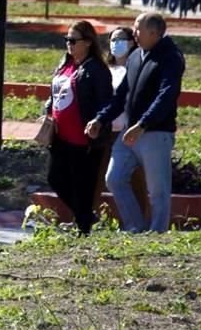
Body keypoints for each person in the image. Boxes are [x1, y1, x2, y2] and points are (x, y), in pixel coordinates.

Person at [86, 12, 185, 233]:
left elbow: (167, 95)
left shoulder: (171, 57)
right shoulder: (135, 56)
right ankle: (136, 226)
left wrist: (143, 123)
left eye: (138, 29)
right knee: (115, 178)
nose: (134, 33)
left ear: (154, 32)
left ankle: (157, 233)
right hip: (129, 133)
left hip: (154, 132)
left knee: (157, 190)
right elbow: (122, 96)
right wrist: (101, 119)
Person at [43, 21, 112, 235]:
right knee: (56, 178)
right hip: (60, 136)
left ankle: (84, 227)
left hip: (84, 140)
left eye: (74, 41)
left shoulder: (96, 70)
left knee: (82, 185)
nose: (69, 45)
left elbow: (107, 101)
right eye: (67, 40)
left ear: (88, 43)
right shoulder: (66, 64)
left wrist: (98, 120)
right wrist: (48, 108)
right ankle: (85, 216)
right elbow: (56, 92)